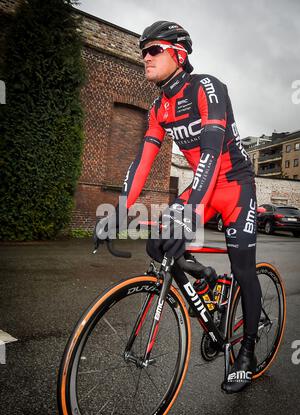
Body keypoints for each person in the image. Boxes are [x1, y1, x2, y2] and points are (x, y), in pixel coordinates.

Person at [94, 21, 262, 394]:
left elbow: (213, 153)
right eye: (142, 52)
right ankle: (205, 277)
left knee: (243, 266)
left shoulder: (207, 87)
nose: (145, 57)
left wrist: (189, 211)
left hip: (233, 185)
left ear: (178, 53)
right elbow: (142, 159)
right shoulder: (159, 107)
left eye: (153, 49)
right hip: (203, 186)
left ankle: (246, 350)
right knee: (158, 244)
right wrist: (120, 210)